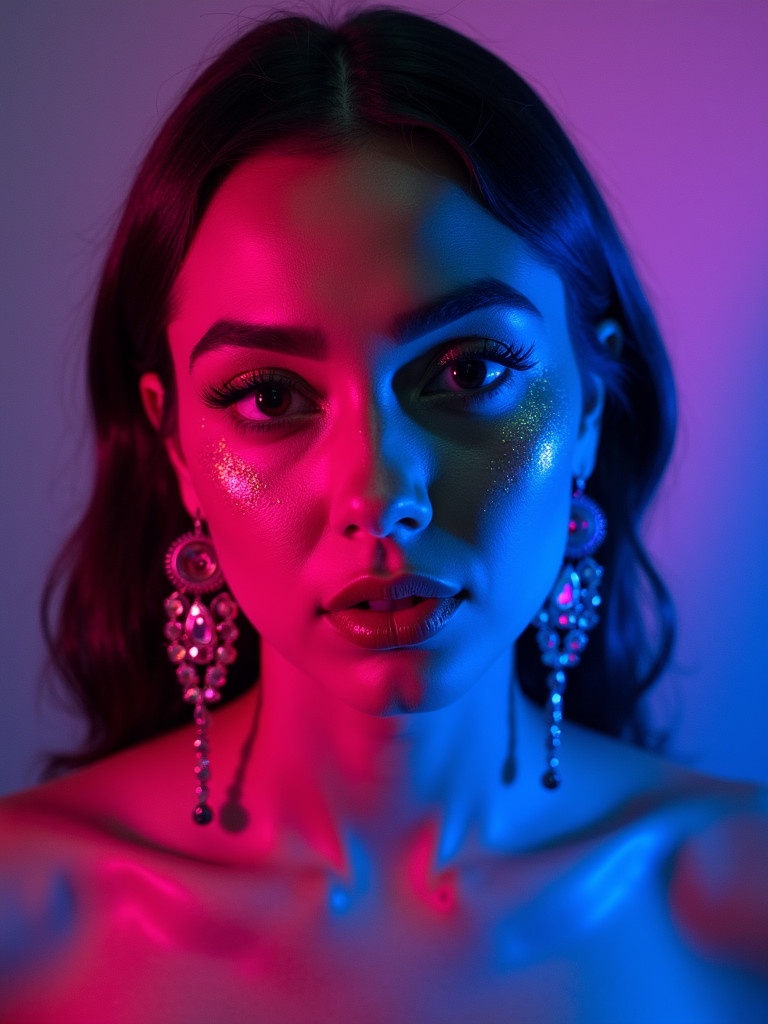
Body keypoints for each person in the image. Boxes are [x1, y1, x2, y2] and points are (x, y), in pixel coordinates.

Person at [1, 7, 765, 1022]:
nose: (379, 495)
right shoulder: (22, 918)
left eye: (470, 370)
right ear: (177, 441)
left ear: (587, 403)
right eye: (270, 396)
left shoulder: (739, 906)